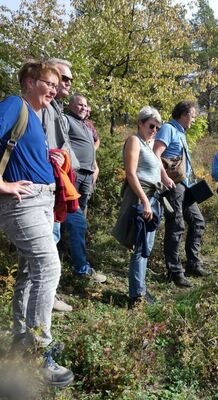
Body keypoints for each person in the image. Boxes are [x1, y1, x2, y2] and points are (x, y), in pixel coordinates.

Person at [0, 60, 74, 387]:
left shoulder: (34, 117)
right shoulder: (15, 104)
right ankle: (39, 354)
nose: (55, 91)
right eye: (50, 84)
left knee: (30, 272)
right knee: (49, 266)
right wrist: (1, 185)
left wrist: (50, 158)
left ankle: (20, 339)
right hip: (23, 203)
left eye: (58, 86)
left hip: (41, 202)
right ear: (30, 81)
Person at [153, 100, 209, 287]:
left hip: (185, 185)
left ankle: (193, 263)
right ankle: (174, 271)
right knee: (176, 225)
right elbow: (156, 153)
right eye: (192, 116)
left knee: (198, 221)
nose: (193, 120)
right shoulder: (168, 129)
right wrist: (164, 178)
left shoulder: (181, 133)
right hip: (173, 185)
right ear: (184, 114)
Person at [43, 58, 77, 312]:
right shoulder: (44, 107)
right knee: (48, 242)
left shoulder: (57, 107)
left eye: (69, 80)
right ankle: (46, 299)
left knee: (55, 237)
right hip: (46, 185)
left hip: (59, 185)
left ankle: (49, 296)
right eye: (63, 78)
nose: (67, 83)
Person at [119, 106, 162, 306]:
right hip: (140, 198)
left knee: (147, 245)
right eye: (151, 126)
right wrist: (144, 201)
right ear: (140, 123)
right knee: (140, 246)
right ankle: (136, 295)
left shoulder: (148, 144)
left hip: (152, 198)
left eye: (157, 127)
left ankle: (141, 289)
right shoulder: (134, 141)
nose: (154, 130)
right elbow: (131, 173)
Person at [63, 94, 106, 282]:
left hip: (88, 176)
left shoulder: (87, 126)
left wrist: (94, 166)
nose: (83, 107)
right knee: (75, 219)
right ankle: (79, 267)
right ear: (71, 105)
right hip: (74, 174)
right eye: (79, 104)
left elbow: (92, 146)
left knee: (78, 218)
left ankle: (70, 254)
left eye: (85, 105)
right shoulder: (66, 120)